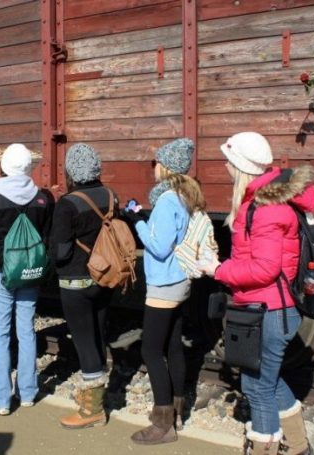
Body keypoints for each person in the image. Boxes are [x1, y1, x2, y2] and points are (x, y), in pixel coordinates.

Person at [200, 131, 314, 455]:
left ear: (241, 166)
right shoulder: (264, 200)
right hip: (269, 307)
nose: (225, 166)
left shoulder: (265, 208)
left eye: (228, 160)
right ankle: (297, 447)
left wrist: (218, 270)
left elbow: (265, 268)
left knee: (257, 386)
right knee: (268, 380)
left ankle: (266, 447)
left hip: (269, 311)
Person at [123, 138, 204, 445]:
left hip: (165, 284)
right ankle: (178, 409)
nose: (153, 168)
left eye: (156, 162)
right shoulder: (185, 196)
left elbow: (157, 247)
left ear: (166, 167)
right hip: (180, 281)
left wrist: (136, 222)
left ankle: (163, 424)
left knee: (151, 349)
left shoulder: (168, 200)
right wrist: (147, 218)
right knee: (173, 346)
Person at [0, 143, 53, 415]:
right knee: (26, 330)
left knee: (0, 333)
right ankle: (29, 392)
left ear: (5, 167)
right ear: (28, 167)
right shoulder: (42, 198)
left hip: (0, 274)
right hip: (30, 273)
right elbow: (46, 236)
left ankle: (0, 399)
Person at [49, 143, 119, 429]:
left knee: (84, 341)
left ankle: (93, 410)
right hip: (105, 276)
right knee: (98, 335)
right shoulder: (110, 195)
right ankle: (96, 395)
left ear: (72, 171)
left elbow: (62, 251)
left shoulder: (68, 203)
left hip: (76, 281)